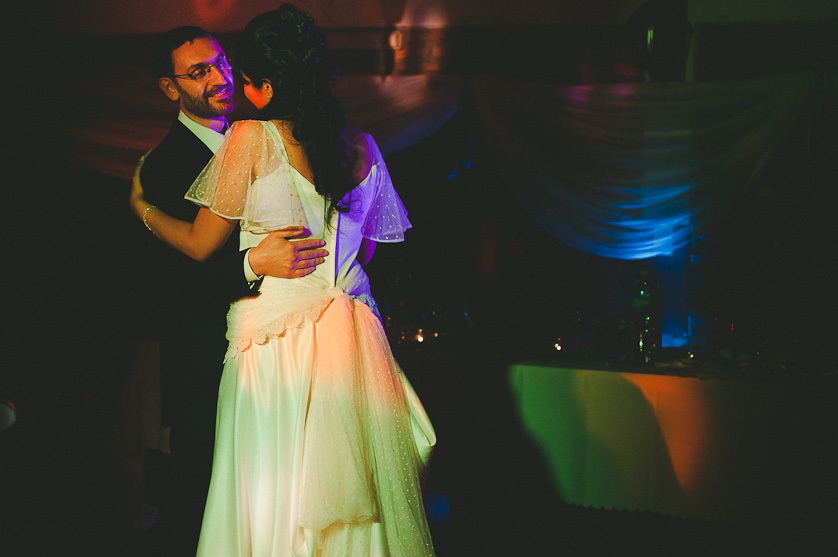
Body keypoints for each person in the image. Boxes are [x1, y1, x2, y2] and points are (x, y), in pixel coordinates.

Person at [130, 5, 436, 556]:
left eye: (230, 68)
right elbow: (364, 250)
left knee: (273, 490)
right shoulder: (363, 144)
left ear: (265, 87)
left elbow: (200, 245)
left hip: (276, 345)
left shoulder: (250, 137)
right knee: (352, 487)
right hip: (352, 340)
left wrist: (143, 210)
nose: (224, 79)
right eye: (200, 71)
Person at [139, 25, 329, 554]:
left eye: (221, 62)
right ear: (170, 87)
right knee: (211, 515)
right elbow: (172, 281)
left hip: (285, 351)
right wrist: (250, 263)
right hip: (206, 361)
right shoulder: (165, 164)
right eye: (198, 72)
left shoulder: (271, 135)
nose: (218, 77)